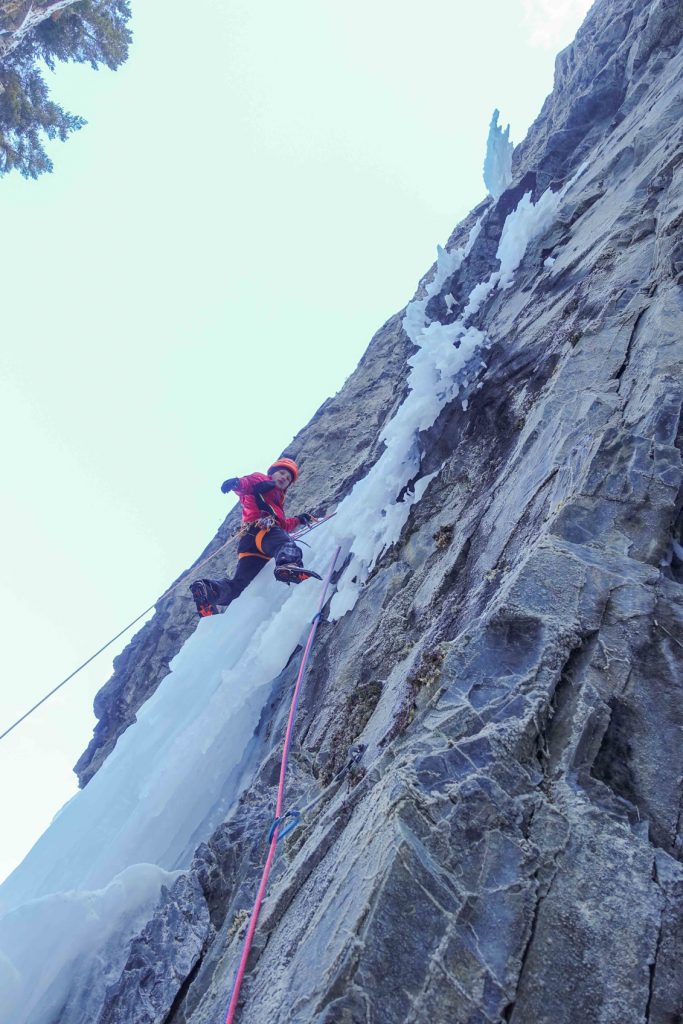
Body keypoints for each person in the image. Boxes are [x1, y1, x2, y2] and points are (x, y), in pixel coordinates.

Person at [189, 457, 319, 616]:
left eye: (288, 479)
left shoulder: (276, 504)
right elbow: (247, 484)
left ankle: (210, 591)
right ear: (272, 474)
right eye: (282, 473)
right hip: (262, 530)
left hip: (250, 544)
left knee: (240, 586)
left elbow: (283, 525)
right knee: (285, 544)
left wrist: (299, 519)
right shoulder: (262, 480)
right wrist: (236, 483)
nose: (284, 478)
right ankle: (288, 565)